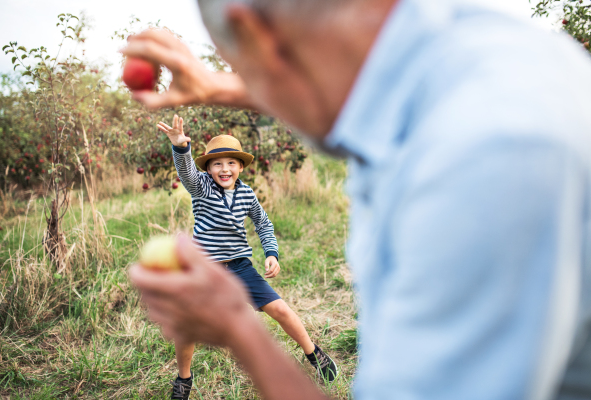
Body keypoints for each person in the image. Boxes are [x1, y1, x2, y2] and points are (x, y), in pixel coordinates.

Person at [125, 0, 591, 398]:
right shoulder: (479, 38)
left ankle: (311, 354)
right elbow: (353, 100)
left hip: (240, 267)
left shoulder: (483, 161)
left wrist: (239, 332)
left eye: (246, 67)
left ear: (256, 33)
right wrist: (219, 87)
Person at [155, 115, 338, 399]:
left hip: (240, 266)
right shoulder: (201, 187)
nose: (224, 168)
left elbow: (263, 223)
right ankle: (184, 379)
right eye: (217, 163)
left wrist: (272, 253)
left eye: (231, 163)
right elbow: (187, 174)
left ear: (241, 166)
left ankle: (315, 354)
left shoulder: (247, 194)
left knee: (280, 310)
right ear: (209, 169)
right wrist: (181, 147)